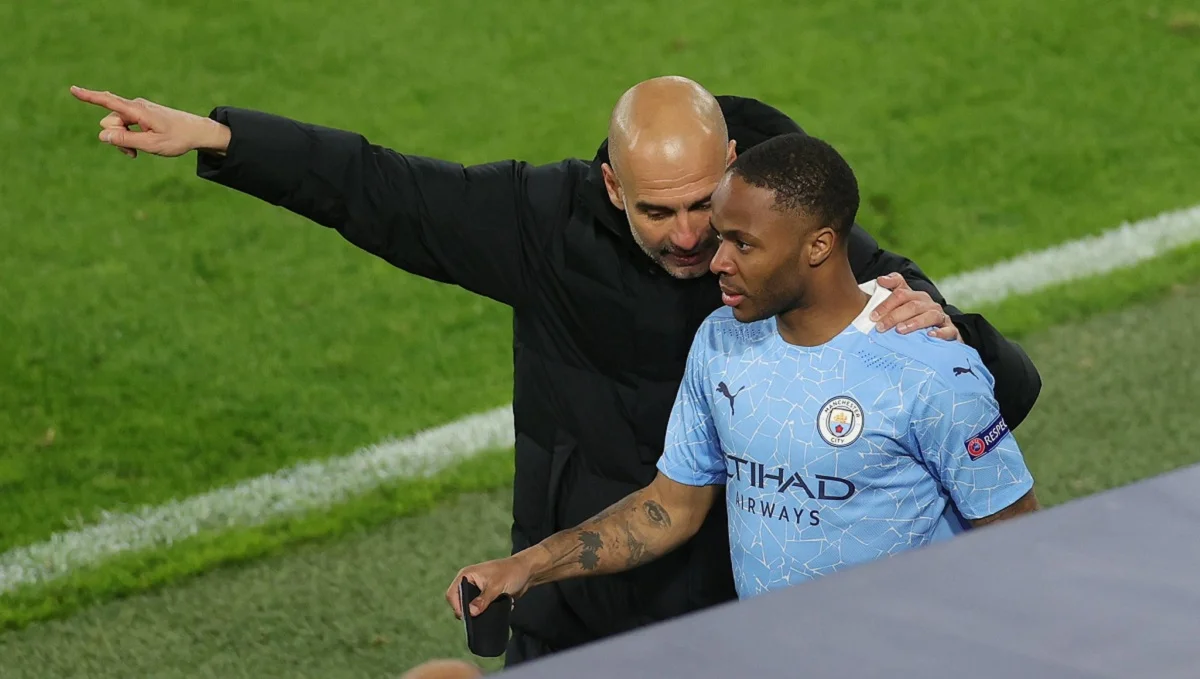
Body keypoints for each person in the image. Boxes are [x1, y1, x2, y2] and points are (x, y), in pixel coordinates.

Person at [69, 76, 1041, 665]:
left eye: (705, 205)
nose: (690, 237)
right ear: (611, 185)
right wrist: (223, 139)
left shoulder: (778, 238)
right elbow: (381, 188)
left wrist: (941, 323)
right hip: (579, 601)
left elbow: (978, 383)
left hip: (737, 613)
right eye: (656, 211)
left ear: (737, 167)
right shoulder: (542, 226)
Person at [446, 132, 1039, 619]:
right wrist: (528, 565)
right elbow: (670, 508)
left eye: (743, 244)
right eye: (721, 236)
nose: (717, 261)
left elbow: (1019, 542)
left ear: (818, 246)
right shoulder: (721, 341)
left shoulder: (928, 367)